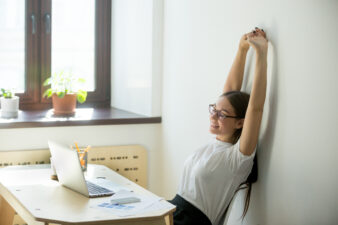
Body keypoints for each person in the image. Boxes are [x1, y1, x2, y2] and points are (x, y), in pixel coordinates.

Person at [168, 27, 268, 225]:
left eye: (221, 115)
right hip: (171, 212)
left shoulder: (238, 158)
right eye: (213, 109)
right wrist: (241, 50)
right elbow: (229, 95)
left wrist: (261, 53)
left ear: (241, 122)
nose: (213, 116)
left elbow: (255, 108)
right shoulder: (214, 145)